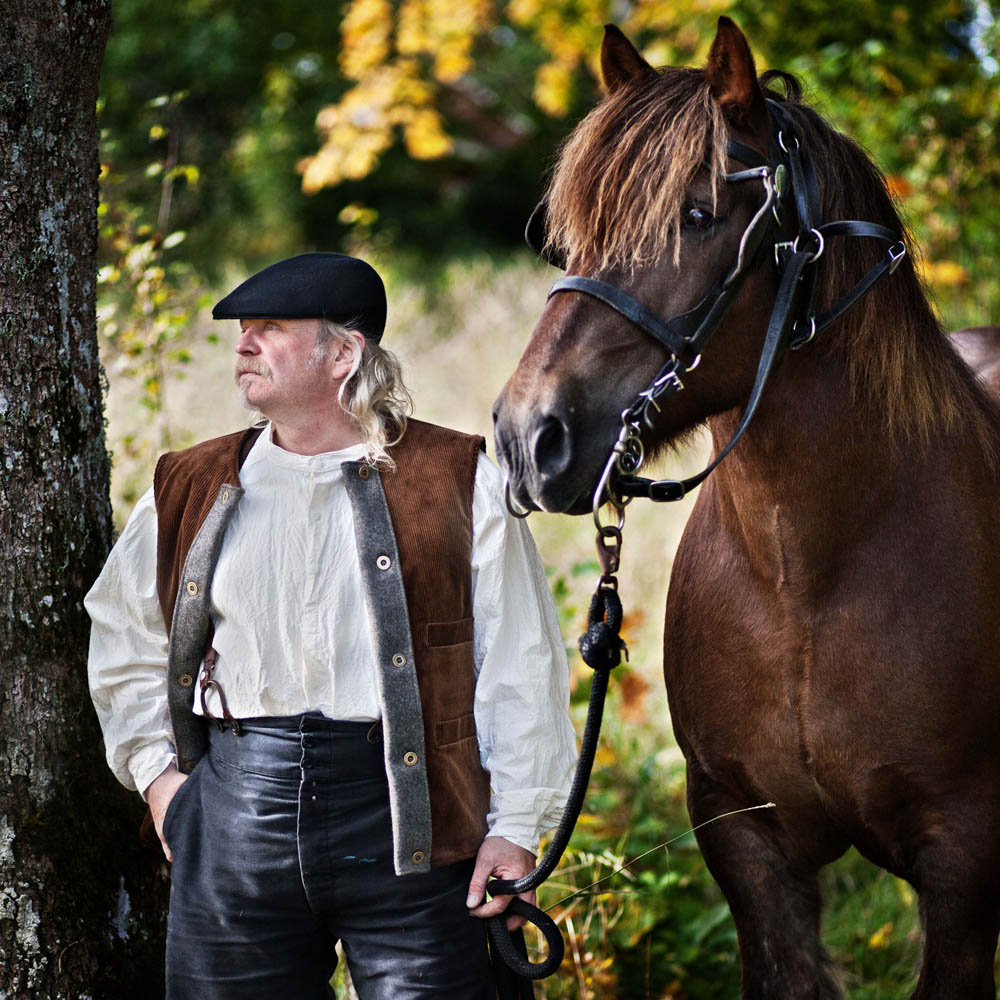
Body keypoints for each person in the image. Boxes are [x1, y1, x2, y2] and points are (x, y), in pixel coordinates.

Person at [86, 252, 578, 1000]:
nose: (244, 344)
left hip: (418, 826)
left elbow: (520, 662)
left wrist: (515, 826)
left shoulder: (461, 480)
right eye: (243, 330)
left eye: (271, 328)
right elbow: (124, 635)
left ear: (343, 353)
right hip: (236, 819)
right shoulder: (189, 482)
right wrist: (160, 782)